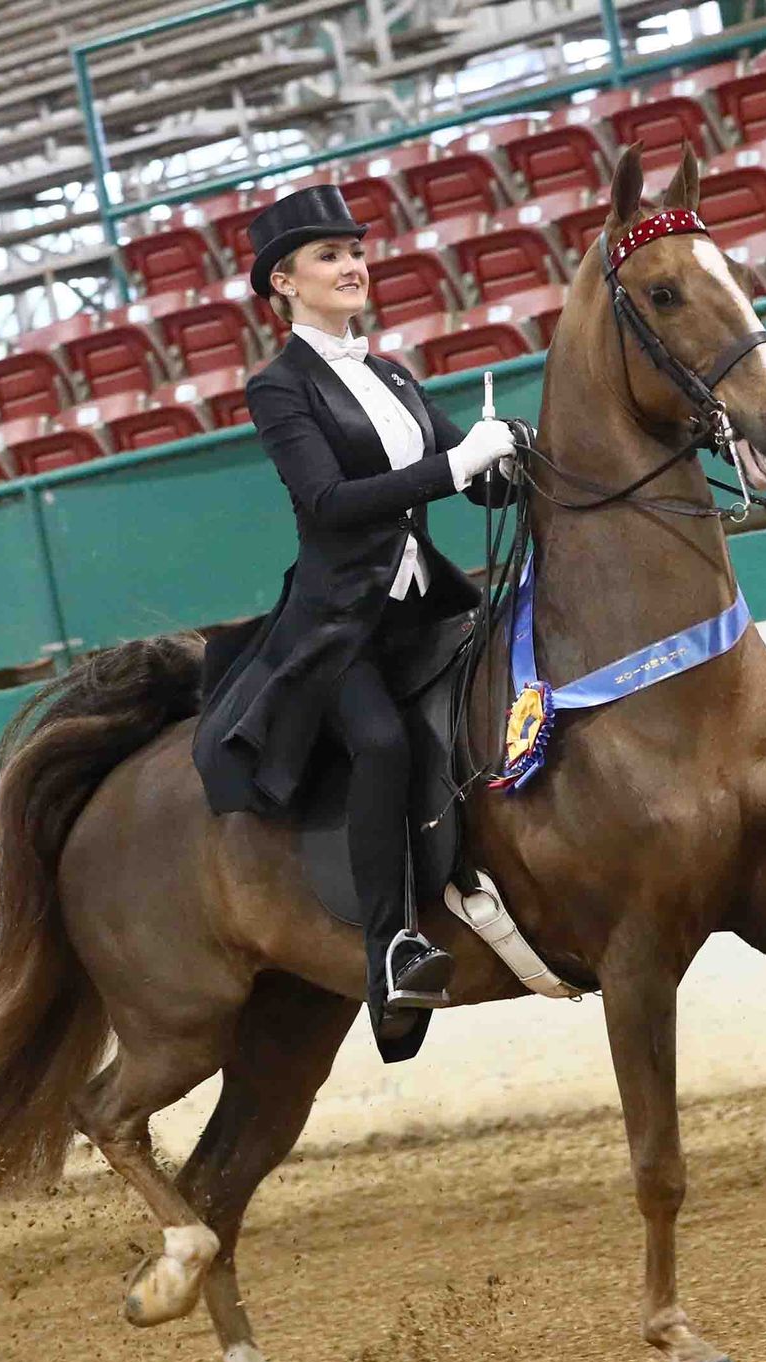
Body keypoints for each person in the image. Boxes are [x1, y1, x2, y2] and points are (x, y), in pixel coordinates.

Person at [191, 184, 517, 1048]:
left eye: (357, 251)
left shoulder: (392, 373)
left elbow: (467, 468)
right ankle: (393, 950)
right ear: (284, 286)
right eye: (329, 255)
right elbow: (330, 501)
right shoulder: (278, 388)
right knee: (380, 742)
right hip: (336, 629)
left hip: (419, 606)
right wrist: (456, 470)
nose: (352, 266)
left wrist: (505, 460)